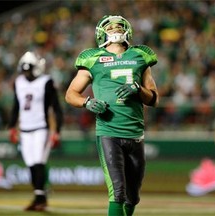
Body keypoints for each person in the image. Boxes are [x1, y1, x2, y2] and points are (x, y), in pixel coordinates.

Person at [65, 15, 159, 216]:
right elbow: (70, 94)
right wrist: (88, 102)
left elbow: (153, 99)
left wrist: (137, 88)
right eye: (111, 26)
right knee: (117, 192)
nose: (115, 29)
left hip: (135, 133)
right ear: (101, 32)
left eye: (119, 26)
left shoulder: (140, 56)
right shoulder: (92, 58)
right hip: (108, 132)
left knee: (133, 196)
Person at [8, 51, 63, 211]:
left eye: (29, 69)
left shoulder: (46, 81)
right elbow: (16, 105)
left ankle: (40, 197)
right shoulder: (19, 82)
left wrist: (57, 130)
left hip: (41, 128)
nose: (27, 73)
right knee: (31, 163)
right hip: (24, 129)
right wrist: (12, 126)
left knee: (39, 162)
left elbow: (56, 108)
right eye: (24, 70)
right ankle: (39, 196)